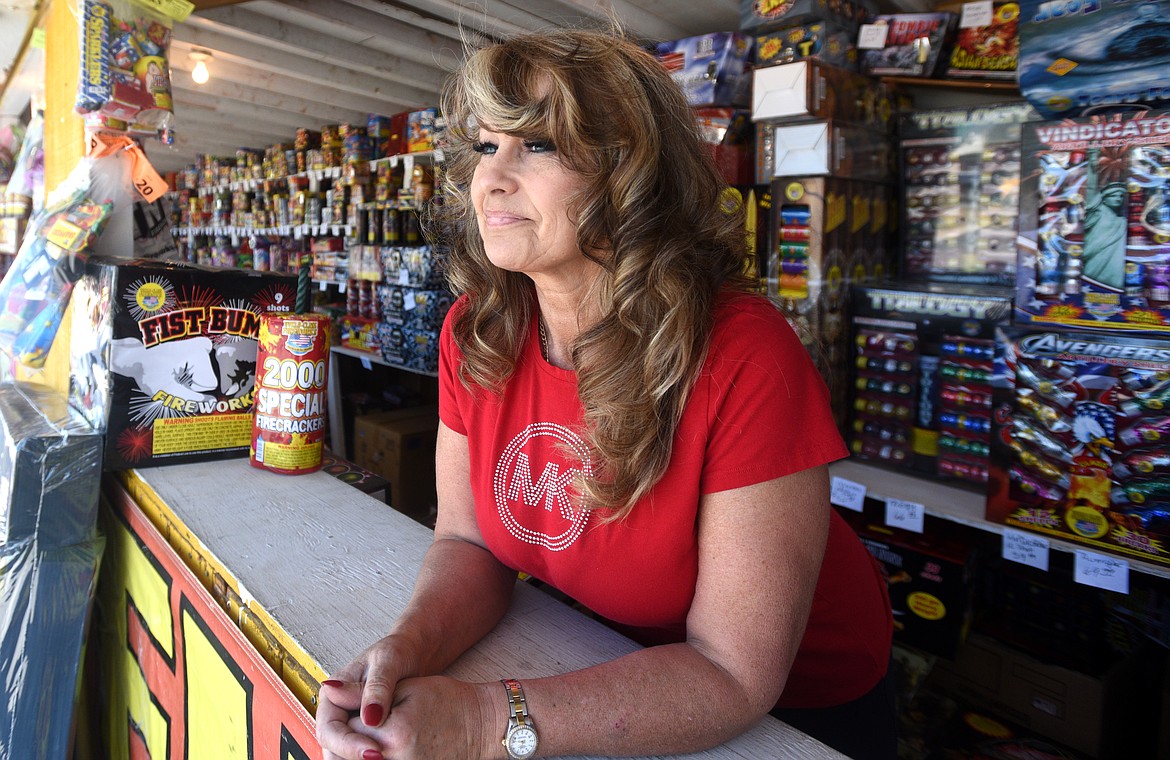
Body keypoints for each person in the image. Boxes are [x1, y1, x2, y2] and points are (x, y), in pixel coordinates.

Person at [316, 25, 894, 760]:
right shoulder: (479, 329)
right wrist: (408, 649)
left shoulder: (743, 354)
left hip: (798, 714)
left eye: (541, 145)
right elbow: (469, 543)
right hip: (605, 655)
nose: (490, 178)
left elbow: (733, 673)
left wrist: (482, 722)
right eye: (487, 146)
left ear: (633, 175)